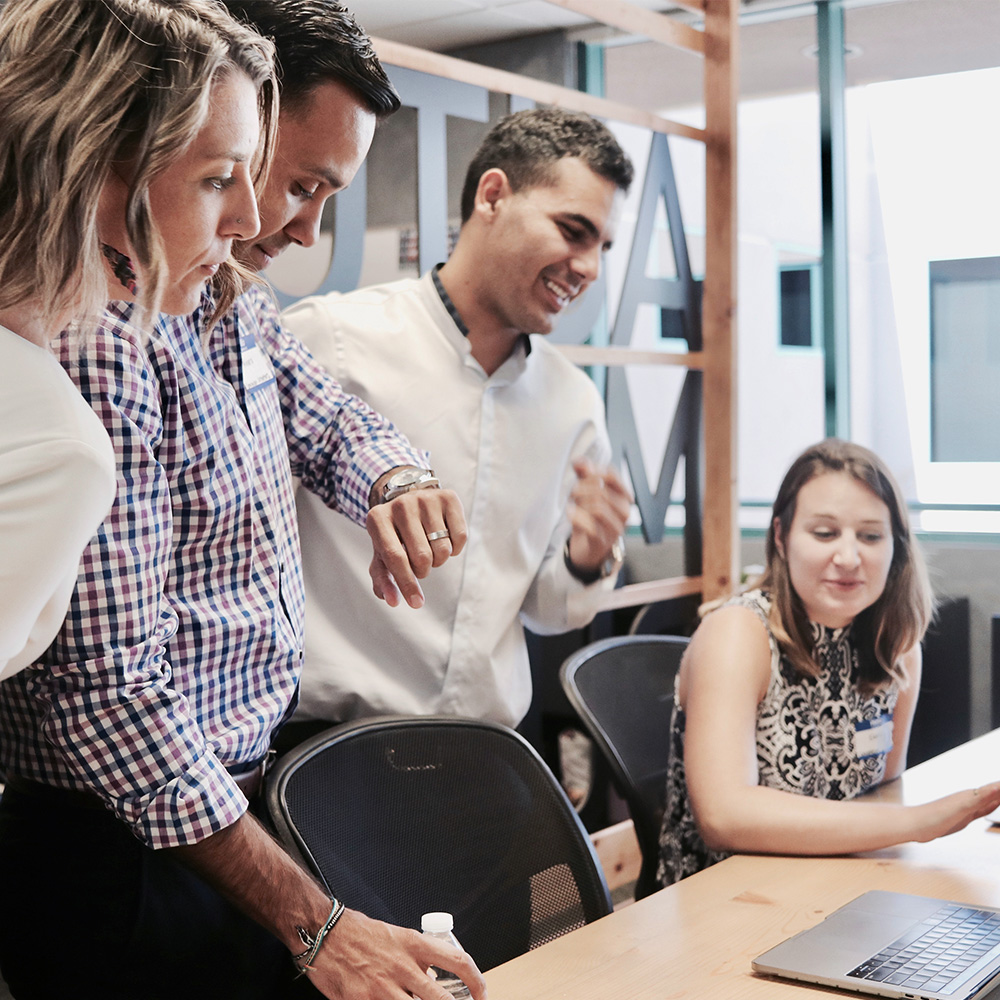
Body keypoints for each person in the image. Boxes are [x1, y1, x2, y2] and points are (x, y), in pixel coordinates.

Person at [0, 3, 484, 1000]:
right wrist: (318, 927)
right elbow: (111, 693)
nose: (286, 227)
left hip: (223, 810)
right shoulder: (96, 346)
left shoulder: (226, 304)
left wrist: (393, 480)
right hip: (128, 848)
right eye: (273, 181)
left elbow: (331, 417)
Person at [279, 107, 635, 737]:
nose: (589, 269)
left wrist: (586, 558)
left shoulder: (572, 400)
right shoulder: (329, 341)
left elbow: (549, 609)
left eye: (602, 248)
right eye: (573, 230)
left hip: (485, 753)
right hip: (323, 744)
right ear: (492, 195)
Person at [656, 437, 1000, 888]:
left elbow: (877, 796)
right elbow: (723, 815)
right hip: (720, 899)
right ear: (781, 537)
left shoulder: (896, 646)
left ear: (896, 546)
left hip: (833, 884)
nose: (849, 557)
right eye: (824, 533)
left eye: (871, 536)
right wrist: (921, 823)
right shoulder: (738, 632)